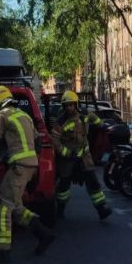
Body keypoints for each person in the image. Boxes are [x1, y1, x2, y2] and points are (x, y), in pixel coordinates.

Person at [0, 86, 54, 264]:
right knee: (15, 206)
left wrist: (0, 158)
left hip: (18, 167)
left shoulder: (2, 115)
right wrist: (33, 164)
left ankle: (1, 252)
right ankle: (43, 234)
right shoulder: (24, 115)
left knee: (2, 207)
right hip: (29, 166)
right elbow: (37, 142)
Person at [53, 91, 113, 220]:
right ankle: (60, 209)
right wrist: (68, 154)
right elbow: (55, 142)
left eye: (71, 105)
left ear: (76, 104)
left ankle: (102, 208)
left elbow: (97, 121)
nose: (69, 107)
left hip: (84, 156)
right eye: (66, 105)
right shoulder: (60, 122)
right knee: (64, 186)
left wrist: (104, 126)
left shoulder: (85, 115)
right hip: (68, 158)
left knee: (93, 183)